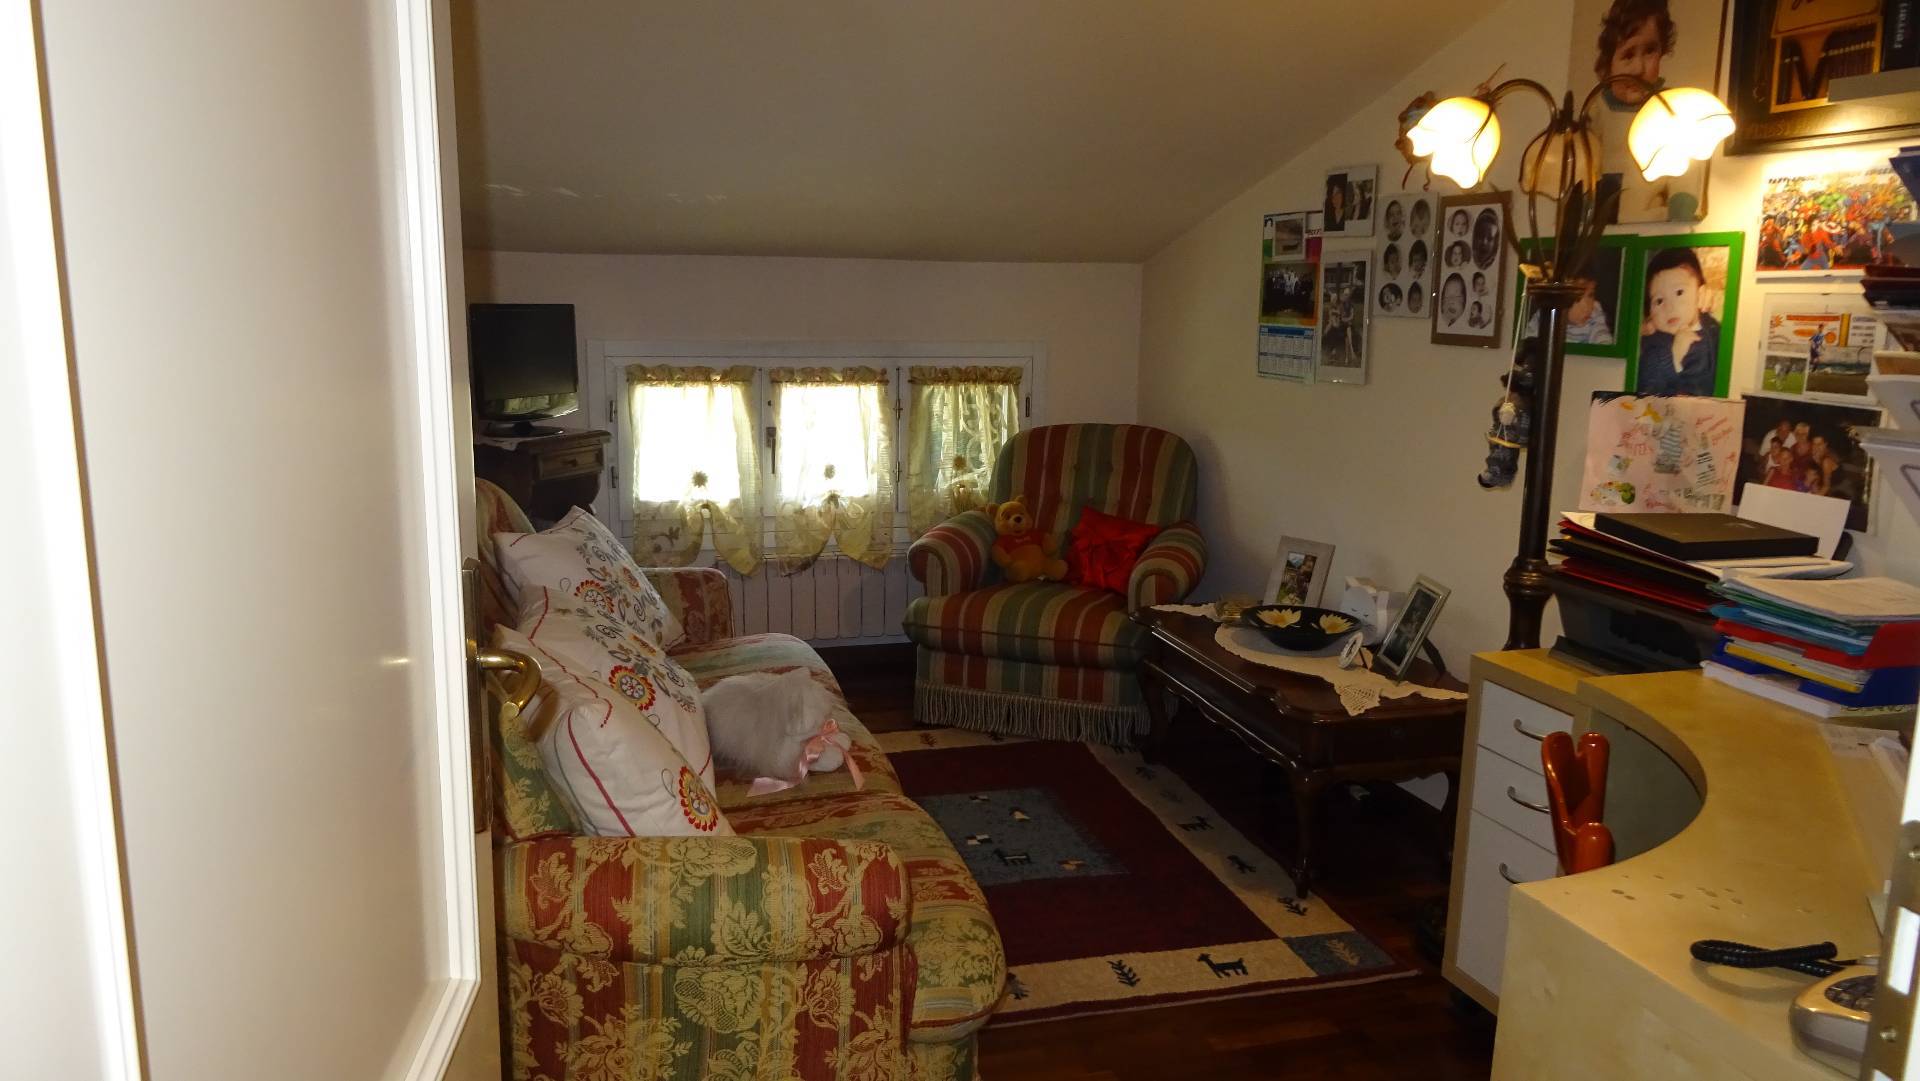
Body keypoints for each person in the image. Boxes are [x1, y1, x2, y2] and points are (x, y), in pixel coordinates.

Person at [1634, 246, 1719, 396]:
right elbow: (1646, 389)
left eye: (1679, 292)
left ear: (1700, 293)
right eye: (1659, 301)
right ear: (1650, 314)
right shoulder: (1655, 345)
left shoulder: (1712, 328)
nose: (1670, 307)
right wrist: (1674, 356)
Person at [1593, 0, 1674, 107]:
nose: (1638, 69)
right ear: (1609, 65)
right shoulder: (1596, 110)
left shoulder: (1669, 105)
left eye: (1649, 51)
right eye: (1628, 55)